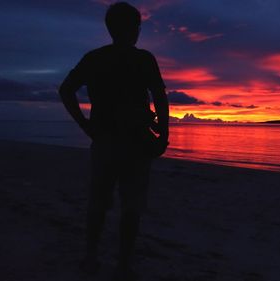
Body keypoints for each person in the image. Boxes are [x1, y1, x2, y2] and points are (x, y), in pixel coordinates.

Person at [58, 2, 169, 280]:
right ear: (131, 28)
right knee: (130, 206)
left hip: (107, 141)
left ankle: (92, 257)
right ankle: (121, 264)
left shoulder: (95, 58)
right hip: (134, 143)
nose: (138, 31)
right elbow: (160, 97)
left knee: (100, 203)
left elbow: (66, 90)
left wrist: (85, 126)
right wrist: (164, 135)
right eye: (136, 26)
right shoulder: (143, 59)